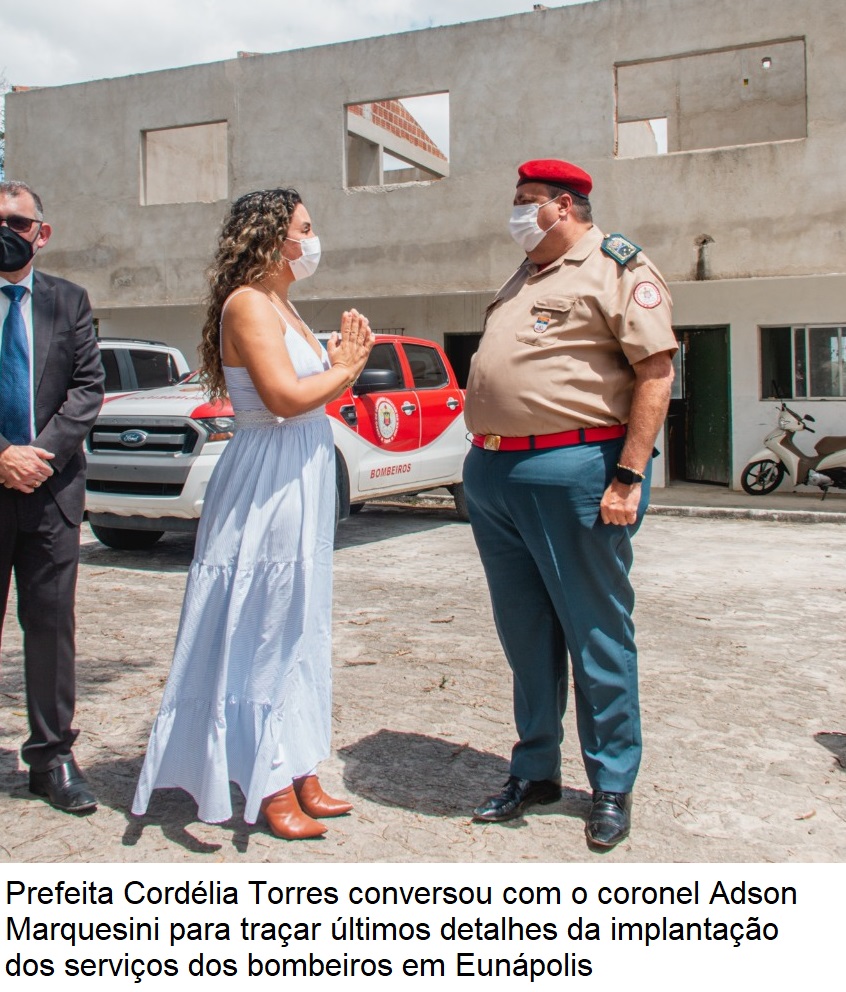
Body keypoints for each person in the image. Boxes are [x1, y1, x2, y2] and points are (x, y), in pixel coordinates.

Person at [132, 187, 374, 839]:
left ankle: (300, 764)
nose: (312, 239)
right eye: (305, 228)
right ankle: (266, 781)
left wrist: (336, 368)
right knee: (264, 624)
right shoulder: (246, 304)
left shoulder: (281, 304)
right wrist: (347, 369)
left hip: (301, 471)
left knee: (301, 622)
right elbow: (285, 398)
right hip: (268, 478)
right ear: (270, 239)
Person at [463, 159, 677, 848]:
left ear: (563, 205)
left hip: (576, 470)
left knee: (595, 632)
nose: (516, 213)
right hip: (495, 470)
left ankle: (611, 783)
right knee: (525, 634)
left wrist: (628, 476)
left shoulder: (616, 266)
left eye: (526, 201)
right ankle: (535, 771)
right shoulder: (525, 274)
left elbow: (656, 373)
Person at [0, 180, 104, 813]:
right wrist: (0, 455)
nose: (5, 231)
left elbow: (88, 389)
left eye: (16, 221)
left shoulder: (69, 301)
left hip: (50, 492)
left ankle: (52, 758)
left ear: (42, 233)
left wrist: (36, 457)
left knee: (50, 630)